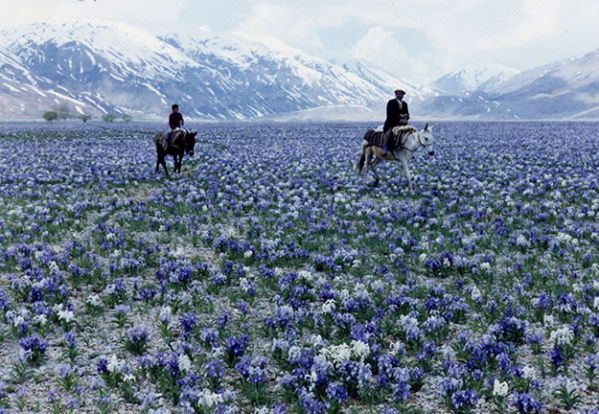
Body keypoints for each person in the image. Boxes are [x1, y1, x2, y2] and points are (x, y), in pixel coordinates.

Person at [382, 89, 410, 156]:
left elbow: (407, 113)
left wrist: (406, 117)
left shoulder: (405, 104)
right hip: (391, 123)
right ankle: (385, 148)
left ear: (403, 95)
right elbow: (389, 114)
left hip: (402, 123)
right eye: (398, 94)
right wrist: (399, 118)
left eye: (401, 94)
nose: (400, 95)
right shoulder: (391, 102)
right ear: (396, 95)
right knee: (388, 134)